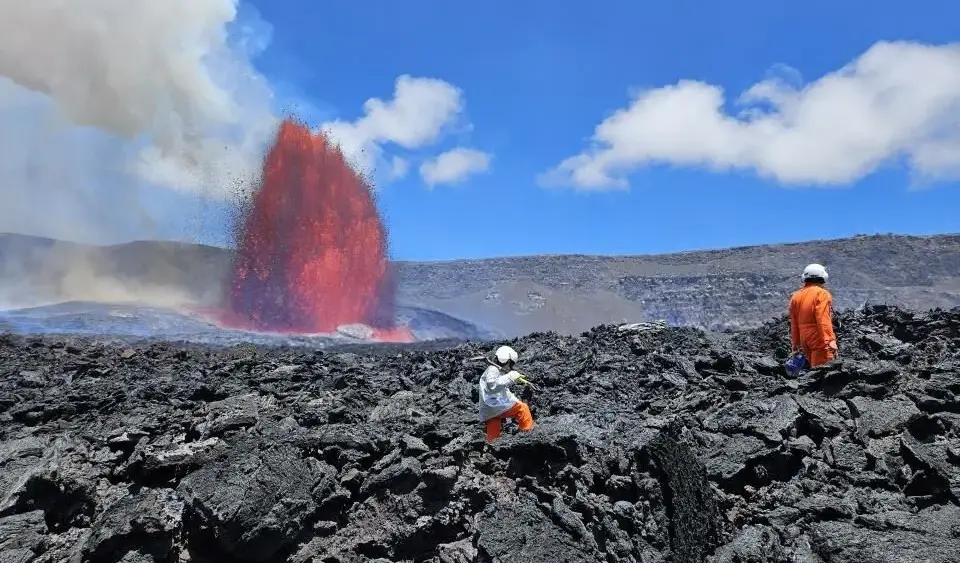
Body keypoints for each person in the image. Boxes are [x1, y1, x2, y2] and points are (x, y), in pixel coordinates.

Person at [478, 345, 535, 442]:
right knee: (523, 408)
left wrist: (510, 378)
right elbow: (493, 386)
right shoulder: (493, 369)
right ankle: (528, 435)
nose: (510, 367)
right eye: (510, 364)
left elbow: (505, 393)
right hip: (493, 405)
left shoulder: (495, 370)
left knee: (494, 429)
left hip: (489, 409)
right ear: (505, 360)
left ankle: (491, 445)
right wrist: (510, 377)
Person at [789, 263, 838, 367]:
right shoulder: (822, 294)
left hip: (804, 339)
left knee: (813, 369)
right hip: (818, 338)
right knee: (823, 370)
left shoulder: (796, 296)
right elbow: (822, 319)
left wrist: (796, 344)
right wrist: (830, 341)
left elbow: (794, 324)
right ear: (823, 277)